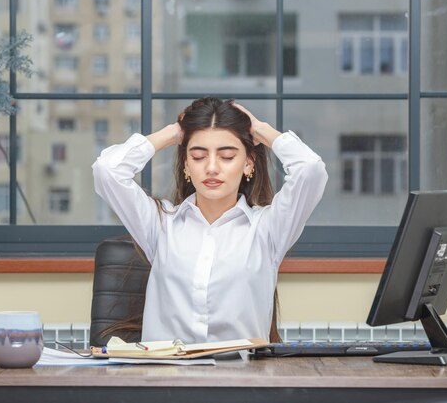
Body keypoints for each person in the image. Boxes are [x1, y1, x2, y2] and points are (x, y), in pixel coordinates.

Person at [92, 97, 328, 343]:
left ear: (248, 163)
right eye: (198, 156)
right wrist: (174, 132)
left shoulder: (268, 229)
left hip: (241, 377)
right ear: (186, 164)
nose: (212, 168)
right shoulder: (161, 225)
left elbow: (310, 169)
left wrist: (260, 129)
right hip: (167, 377)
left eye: (226, 156)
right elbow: (108, 171)